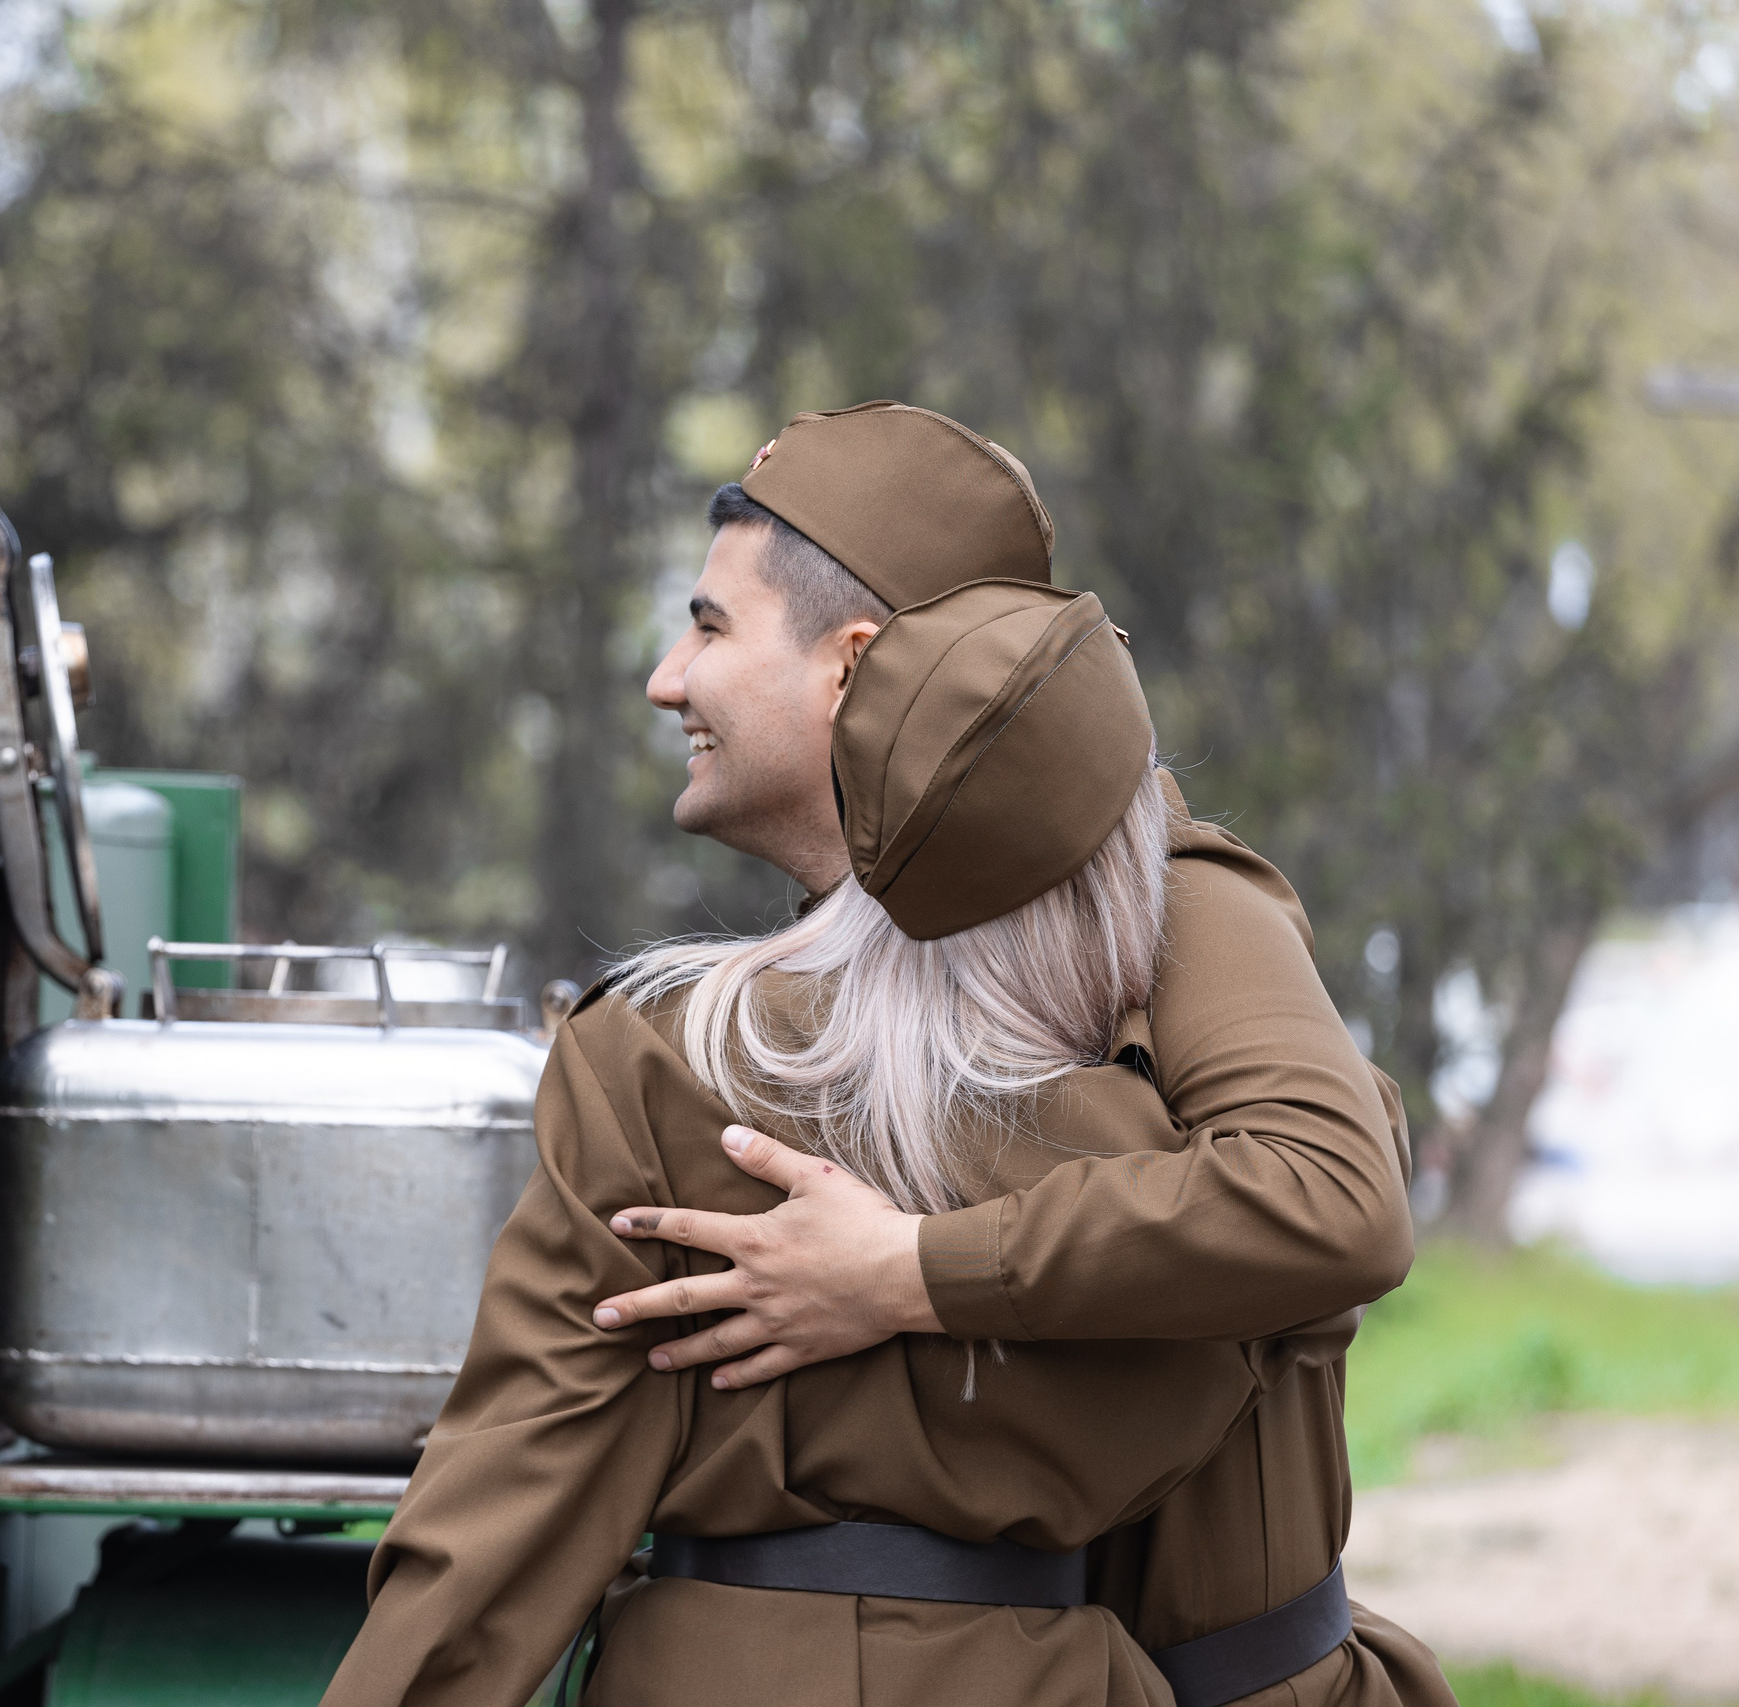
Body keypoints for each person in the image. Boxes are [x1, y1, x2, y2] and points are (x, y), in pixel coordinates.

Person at [321, 404, 1448, 1706]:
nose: (665, 677)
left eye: (708, 625)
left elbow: (1326, 1208)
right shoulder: (1093, 1077)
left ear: (853, 668)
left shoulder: (1166, 920)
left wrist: (912, 1272)